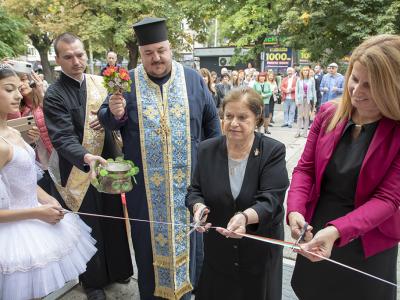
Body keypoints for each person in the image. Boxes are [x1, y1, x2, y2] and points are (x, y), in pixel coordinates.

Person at [97, 17, 221, 300]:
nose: (156, 58)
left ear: (170, 48)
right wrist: (115, 113)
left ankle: (192, 292)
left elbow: (212, 122)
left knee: (193, 241)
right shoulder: (126, 82)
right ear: (141, 54)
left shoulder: (191, 78)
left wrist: (213, 168)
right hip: (145, 192)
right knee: (146, 244)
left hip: (190, 185)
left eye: (161, 50)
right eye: (148, 53)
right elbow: (106, 119)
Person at [287, 34, 400, 300]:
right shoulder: (328, 113)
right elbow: (305, 169)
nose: (357, 92)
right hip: (318, 230)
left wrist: (337, 231)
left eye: (370, 86)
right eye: (355, 79)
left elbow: (388, 199)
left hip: (368, 242)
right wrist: (295, 210)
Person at [43, 33, 133, 300]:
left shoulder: (99, 83)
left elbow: (115, 120)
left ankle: (119, 268)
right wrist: (85, 157)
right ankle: (92, 281)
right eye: (68, 57)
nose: (76, 61)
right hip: (77, 170)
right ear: (58, 59)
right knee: (88, 225)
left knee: (114, 217)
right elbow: (61, 137)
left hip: (107, 163)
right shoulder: (54, 94)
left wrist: (108, 118)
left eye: (80, 54)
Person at [0, 63, 97, 300]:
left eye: (18, 88)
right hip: (14, 231)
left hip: (33, 218)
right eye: (8, 89)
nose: (17, 94)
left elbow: (23, 180)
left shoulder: (11, 132)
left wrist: (49, 199)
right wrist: (37, 212)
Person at [186, 87, 289, 300]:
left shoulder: (272, 150)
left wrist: (244, 216)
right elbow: (195, 190)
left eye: (242, 117)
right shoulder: (207, 149)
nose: (233, 123)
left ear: (257, 118)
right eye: (228, 116)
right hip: (219, 250)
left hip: (258, 250)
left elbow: (272, 198)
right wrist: (198, 207)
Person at [7, 72, 54, 193]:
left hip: (55, 157)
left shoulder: (44, 98)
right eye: (16, 85)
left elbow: (56, 117)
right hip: (38, 162)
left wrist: (42, 93)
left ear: (31, 80)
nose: (21, 85)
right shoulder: (18, 109)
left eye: (23, 80)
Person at [294, 66, 316, 138]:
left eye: (307, 71)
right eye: (304, 71)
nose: (305, 72)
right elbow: (296, 91)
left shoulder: (312, 79)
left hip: (308, 100)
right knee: (299, 116)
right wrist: (296, 100)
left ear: (309, 72)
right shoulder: (298, 80)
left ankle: (305, 133)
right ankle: (298, 132)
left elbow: (313, 90)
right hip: (300, 100)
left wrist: (314, 100)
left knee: (306, 117)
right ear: (302, 72)